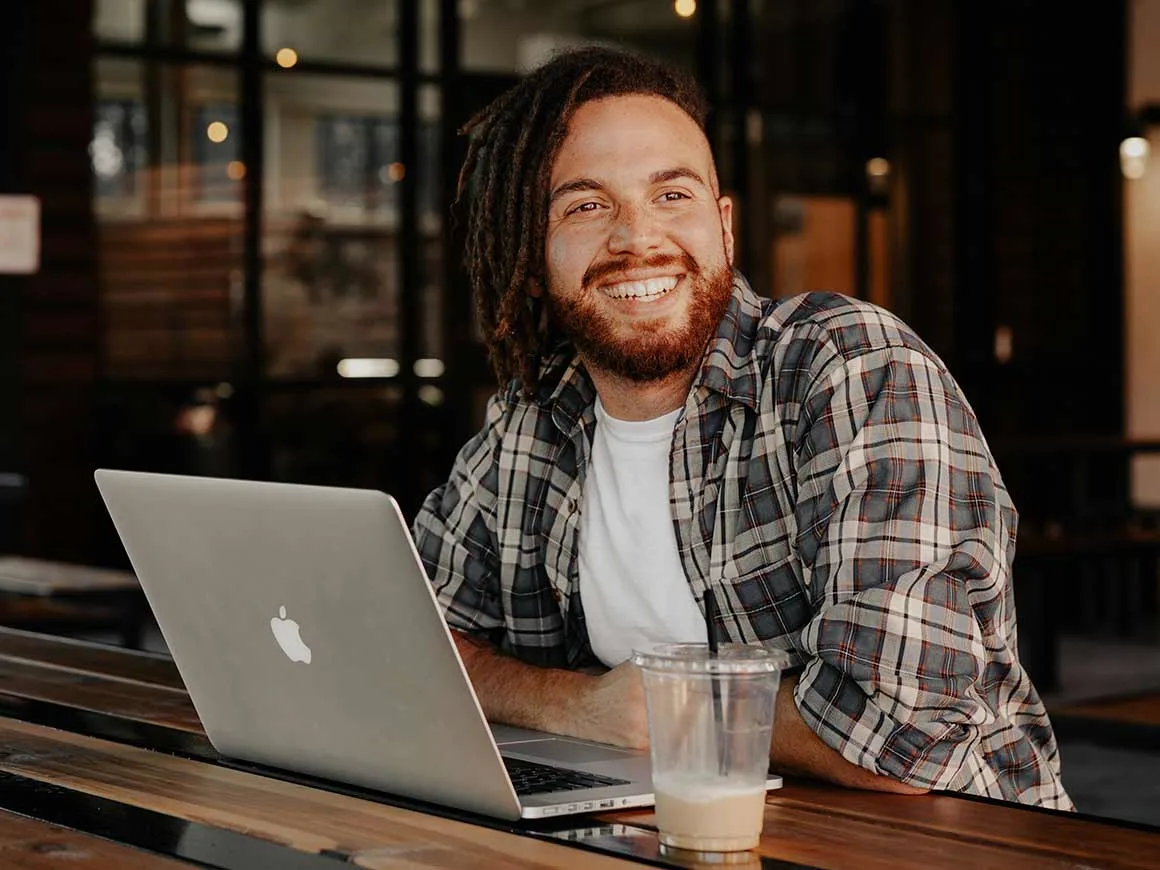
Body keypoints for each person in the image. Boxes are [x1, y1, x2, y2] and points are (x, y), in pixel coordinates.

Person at [412, 46, 1072, 810]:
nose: (637, 238)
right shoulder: (531, 422)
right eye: (586, 206)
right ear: (534, 253)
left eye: (672, 195)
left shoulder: (850, 368)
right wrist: (575, 706)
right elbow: (411, 640)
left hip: (942, 840)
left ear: (724, 227)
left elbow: (903, 735)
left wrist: (669, 708)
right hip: (669, 830)